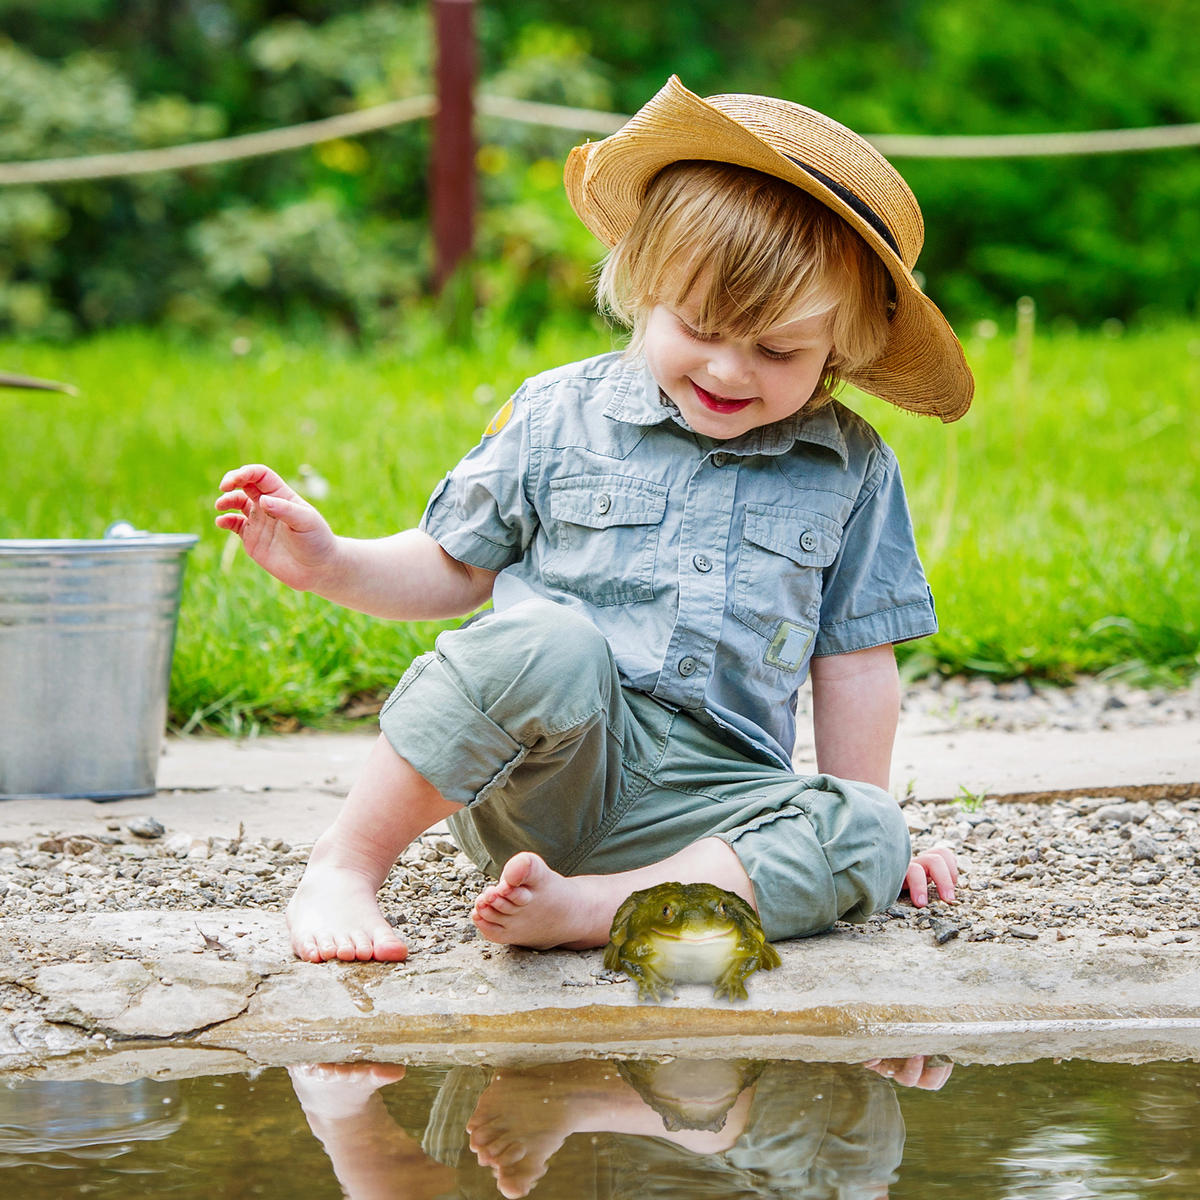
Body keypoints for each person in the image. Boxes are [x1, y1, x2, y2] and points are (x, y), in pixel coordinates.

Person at [216, 76, 967, 965]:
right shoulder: (558, 414)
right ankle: (345, 864)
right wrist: (330, 562)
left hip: (714, 804)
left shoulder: (850, 468)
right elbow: (456, 568)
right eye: (699, 327)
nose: (729, 371)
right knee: (549, 642)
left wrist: (857, 814)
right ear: (642, 287)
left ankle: (596, 908)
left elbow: (854, 666)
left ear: (839, 348)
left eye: (776, 351)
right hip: (547, 776)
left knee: (869, 829)